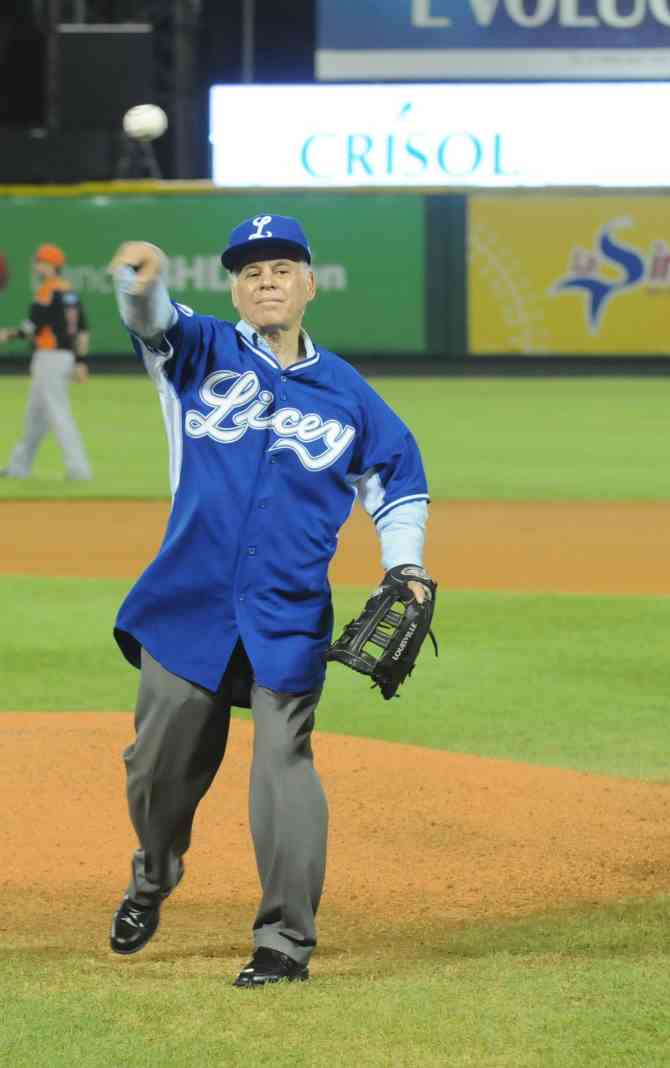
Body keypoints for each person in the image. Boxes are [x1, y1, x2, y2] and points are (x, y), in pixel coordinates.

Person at [103, 213, 433, 987]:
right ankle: (155, 872)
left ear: (309, 284)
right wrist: (138, 278)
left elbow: (400, 479)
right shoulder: (200, 350)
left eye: (282, 269)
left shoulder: (348, 394)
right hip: (189, 599)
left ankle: (285, 941)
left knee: (286, 764)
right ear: (235, 291)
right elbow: (150, 318)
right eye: (251, 272)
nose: (266, 282)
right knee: (157, 771)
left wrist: (407, 565)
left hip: (288, 608)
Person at [0, 243, 94, 481]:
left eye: (40, 262)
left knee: (58, 414)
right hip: (64, 357)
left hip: (50, 359)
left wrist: (9, 335)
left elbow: (31, 328)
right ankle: (18, 467)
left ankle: (79, 469)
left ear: (50, 265)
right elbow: (83, 330)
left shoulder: (48, 291)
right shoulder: (69, 293)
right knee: (35, 417)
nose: (37, 267)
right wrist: (80, 361)